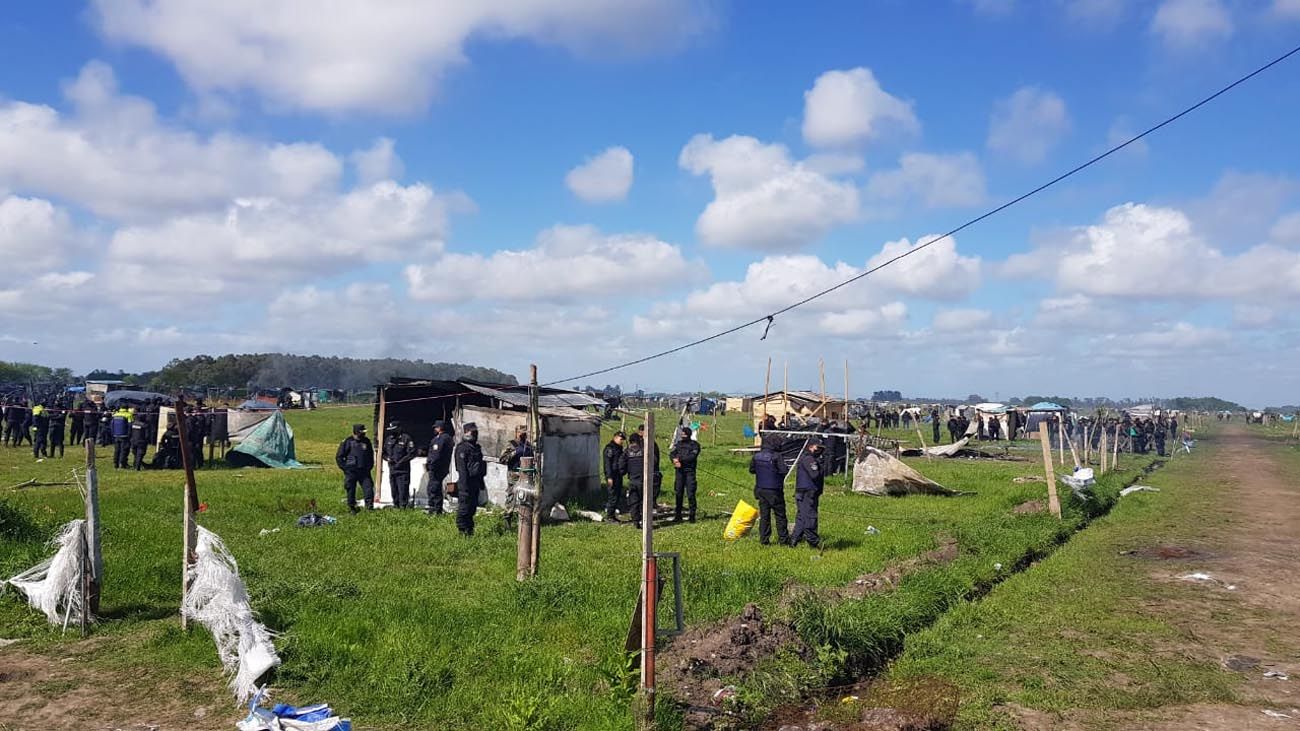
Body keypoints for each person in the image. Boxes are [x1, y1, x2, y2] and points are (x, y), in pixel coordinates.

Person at [748, 436, 789, 546]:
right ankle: (783, 540)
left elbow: (751, 470)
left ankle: (764, 539)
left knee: (764, 516)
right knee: (780, 515)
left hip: (761, 489)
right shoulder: (776, 456)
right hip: (775, 490)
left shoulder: (756, 456)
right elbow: (784, 470)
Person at [789, 437, 825, 548]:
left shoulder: (810, 458)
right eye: (817, 448)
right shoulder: (809, 459)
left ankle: (794, 540)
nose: (820, 450)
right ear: (810, 447)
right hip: (807, 492)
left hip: (806, 492)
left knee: (802, 517)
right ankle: (813, 541)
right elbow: (814, 474)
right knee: (810, 517)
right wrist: (820, 465)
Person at [452, 422, 485, 536]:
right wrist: (464, 487)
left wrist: (481, 483)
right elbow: (462, 470)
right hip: (465, 483)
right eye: (473, 432)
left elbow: (480, 466)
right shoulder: (462, 448)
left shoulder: (476, 448)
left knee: (472, 508)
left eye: (476, 432)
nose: (475, 434)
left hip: (475, 483)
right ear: (466, 432)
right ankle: (462, 531)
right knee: (464, 508)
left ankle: (469, 531)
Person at [335, 424, 375, 514]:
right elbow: (339, 457)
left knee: (368, 488)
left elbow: (370, 456)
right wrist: (345, 468)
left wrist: (369, 467)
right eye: (362, 432)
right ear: (356, 432)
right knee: (351, 489)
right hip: (351, 471)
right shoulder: (347, 441)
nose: (364, 434)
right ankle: (352, 507)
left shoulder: (366, 441)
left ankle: (369, 507)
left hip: (364, 471)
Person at [670, 426, 701, 523]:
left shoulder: (694, 445)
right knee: (678, 493)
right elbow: (672, 454)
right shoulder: (678, 444)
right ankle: (678, 515)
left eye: (684, 434)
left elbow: (692, 457)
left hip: (689, 472)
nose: (683, 436)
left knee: (690, 494)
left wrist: (680, 460)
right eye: (682, 434)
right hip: (679, 472)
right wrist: (674, 460)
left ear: (688, 435)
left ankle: (692, 516)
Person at [383, 420, 416, 509]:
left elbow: (411, 453)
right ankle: (396, 505)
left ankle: (403, 506)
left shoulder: (406, 438)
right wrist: (387, 458)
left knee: (403, 489)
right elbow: (383, 453)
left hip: (403, 470)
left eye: (394, 429)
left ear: (399, 428)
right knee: (394, 489)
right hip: (392, 469)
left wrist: (401, 462)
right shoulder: (389, 439)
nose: (392, 431)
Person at [425, 420, 453, 516]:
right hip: (439, 467)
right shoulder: (445, 438)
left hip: (437, 467)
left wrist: (431, 464)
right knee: (433, 487)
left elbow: (437, 454)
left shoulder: (442, 438)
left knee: (434, 488)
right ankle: (434, 508)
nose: (435, 429)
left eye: (436, 427)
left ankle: (435, 509)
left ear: (439, 428)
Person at [625, 433, 649, 528]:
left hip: (632, 480)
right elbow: (654, 461)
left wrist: (625, 471)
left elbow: (621, 465)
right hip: (643, 480)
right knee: (644, 501)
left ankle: (636, 521)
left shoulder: (627, 451)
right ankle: (644, 520)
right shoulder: (644, 451)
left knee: (634, 501)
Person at [602, 430, 627, 521]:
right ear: (615, 438)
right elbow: (607, 464)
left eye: (623, 440)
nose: (622, 441)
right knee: (612, 496)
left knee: (617, 495)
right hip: (612, 476)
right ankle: (609, 516)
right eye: (621, 439)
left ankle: (612, 516)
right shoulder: (610, 448)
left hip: (618, 475)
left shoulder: (619, 448)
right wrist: (609, 477)